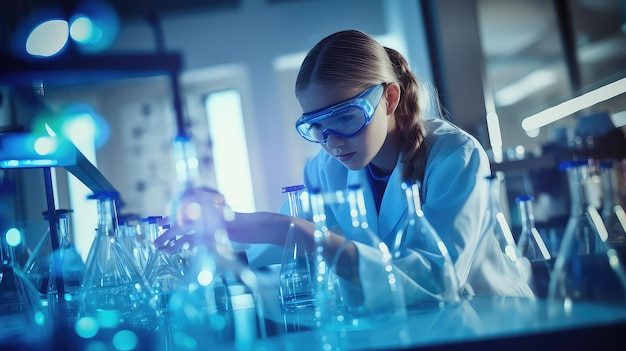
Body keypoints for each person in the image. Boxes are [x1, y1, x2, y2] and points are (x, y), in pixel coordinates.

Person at [155, 29, 534, 306]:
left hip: (488, 326)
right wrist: (226, 224)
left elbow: (437, 281)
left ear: (388, 98)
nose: (332, 141)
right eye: (316, 126)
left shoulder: (455, 157)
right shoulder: (325, 170)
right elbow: (290, 248)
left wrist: (284, 227)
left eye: (347, 117)